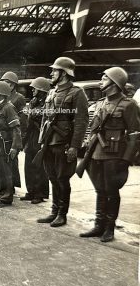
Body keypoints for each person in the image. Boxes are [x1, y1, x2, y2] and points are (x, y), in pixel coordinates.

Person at [79, 67, 140, 242]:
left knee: (112, 191)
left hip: (114, 155)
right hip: (96, 153)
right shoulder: (100, 103)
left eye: (105, 78)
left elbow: (135, 135)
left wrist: (126, 159)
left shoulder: (128, 105)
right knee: (100, 190)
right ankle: (99, 225)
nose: (101, 81)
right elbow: (93, 130)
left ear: (115, 82)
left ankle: (109, 228)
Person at [37, 57, 89, 227]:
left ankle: (62, 214)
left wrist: (75, 146)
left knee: (62, 178)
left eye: (55, 70)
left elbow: (81, 121)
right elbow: (45, 117)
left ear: (64, 73)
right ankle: (53, 211)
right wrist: (41, 139)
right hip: (49, 141)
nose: (51, 73)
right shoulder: (52, 93)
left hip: (64, 143)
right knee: (52, 177)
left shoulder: (77, 93)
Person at [0, 81, 22, 207]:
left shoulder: (8, 107)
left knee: (4, 171)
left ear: (1, 94)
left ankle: (6, 198)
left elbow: (16, 129)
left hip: (3, 141)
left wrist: (14, 147)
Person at [21, 77, 50, 204]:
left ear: (42, 90)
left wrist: (32, 113)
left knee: (39, 167)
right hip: (32, 135)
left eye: (35, 88)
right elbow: (28, 118)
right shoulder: (33, 102)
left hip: (40, 136)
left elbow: (45, 117)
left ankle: (40, 193)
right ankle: (31, 191)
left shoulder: (47, 103)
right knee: (28, 165)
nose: (32, 90)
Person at [0, 71, 26, 192]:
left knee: (12, 160)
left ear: (13, 85)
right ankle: (5, 186)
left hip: (13, 132)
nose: (6, 85)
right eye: (4, 82)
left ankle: (12, 186)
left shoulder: (19, 98)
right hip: (3, 133)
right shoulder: (2, 95)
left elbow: (23, 117)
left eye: (8, 83)